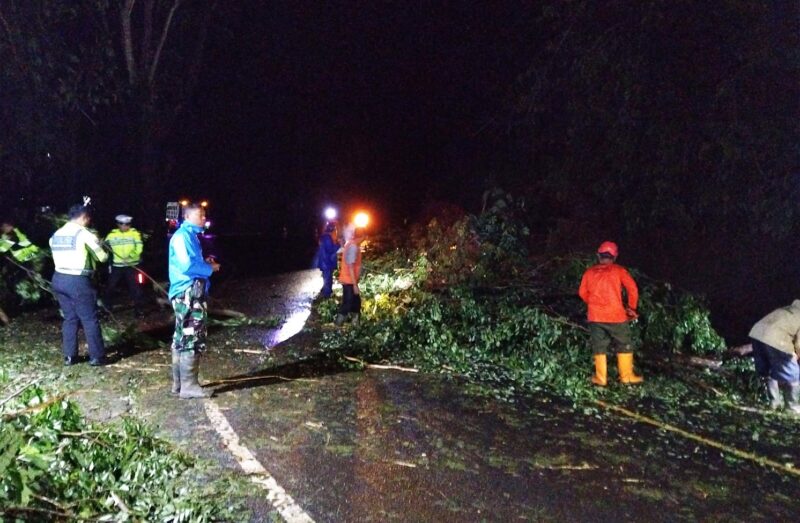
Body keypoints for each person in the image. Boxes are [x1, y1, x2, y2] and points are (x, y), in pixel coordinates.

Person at [168, 202, 220, 399]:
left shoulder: (189, 236)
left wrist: (204, 263)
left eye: (205, 215)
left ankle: (179, 384)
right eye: (201, 215)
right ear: (188, 217)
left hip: (187, 292)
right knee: (191, 335)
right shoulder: (183, 237)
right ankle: (188, 386)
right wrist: (210, 269)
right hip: (187, 293)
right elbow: (188, 265)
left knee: (182, 336)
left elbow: (190, 261)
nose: (204, 218)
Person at [49, 204, 108, 366]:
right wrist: (101, 246)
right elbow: (101, 257)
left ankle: (70, 356)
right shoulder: (84, 234)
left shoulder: (56, 234)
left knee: (69, 318)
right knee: (89, 318)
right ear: (84, 217)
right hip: (77, 280)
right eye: (88, 219)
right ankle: (97, 357)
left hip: (59, 278)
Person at [578, 241, 642, 385]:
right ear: (615, 256)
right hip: (616, 316)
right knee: (624, 343)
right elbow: (632, 289)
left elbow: (582, 292)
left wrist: (594, 304)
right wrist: (631, 308)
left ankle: (601, 379)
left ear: (598, 255)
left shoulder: (589, 272)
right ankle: (626, 377)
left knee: (599, 346)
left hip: (595, 317)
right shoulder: (619, 271)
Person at [748, 301, 800, 414]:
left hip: (756, 333)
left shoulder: (786, 309)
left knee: (769, 370)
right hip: (776, 339)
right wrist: (797, 356)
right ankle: (792, 407)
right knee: (794, 374)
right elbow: (799, 344)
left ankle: (774, 403)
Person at [104, 214, 145, 313]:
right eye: (123, 224)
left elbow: (139, 248)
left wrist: (130, 257)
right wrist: (102, 244)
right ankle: (107, 308)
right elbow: (105, 245)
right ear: (118, 224)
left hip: (131, 265)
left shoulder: (134, 233)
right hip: (117, 266)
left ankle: (138, 309)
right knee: (111, 286)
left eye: (128, 224)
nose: (126, 226)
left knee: (135, 288)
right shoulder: (112, 235)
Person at [334, 224, 365, 326]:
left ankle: (355, 321)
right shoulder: (353, 247)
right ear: (361, 237)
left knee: (356, 301)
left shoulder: (352, 245)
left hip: (350, 279)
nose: (365, 239)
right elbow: (351, 266)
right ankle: (338, 324)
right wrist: (355, 285)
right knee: (347, 303)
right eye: (364, 237)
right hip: (349, 281)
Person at [316, 223, 339, 298]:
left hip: (326, 262)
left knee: (327, 279)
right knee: (327, 280)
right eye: (335, 229)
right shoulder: (327, 238)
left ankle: (326, 293)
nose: (336, 231)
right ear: (332, 229)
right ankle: (326, 296)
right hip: (327, 263)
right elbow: (330, 250)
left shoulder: (325, 237)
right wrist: (337, 244)